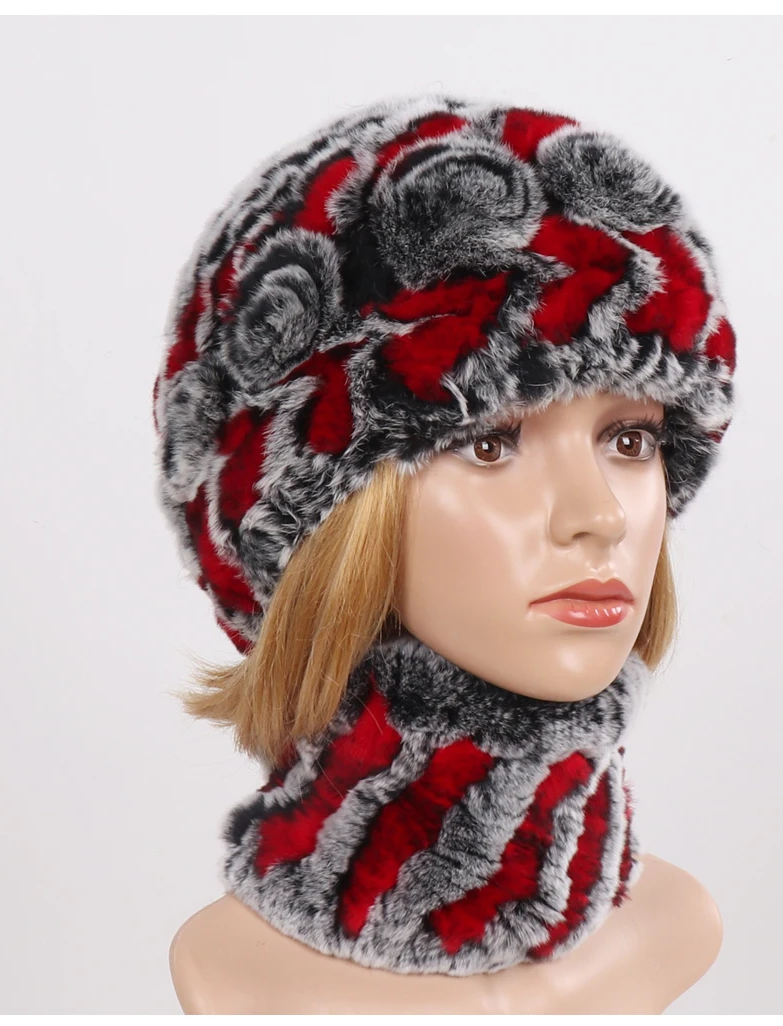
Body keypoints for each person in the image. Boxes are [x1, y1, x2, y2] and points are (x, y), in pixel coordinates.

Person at [152, 94, 738, 1013]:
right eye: (490, 442)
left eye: (630, 439)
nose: (599, 516)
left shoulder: (679, 921)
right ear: (317, 523)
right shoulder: (228, 976)